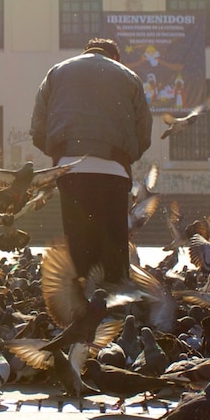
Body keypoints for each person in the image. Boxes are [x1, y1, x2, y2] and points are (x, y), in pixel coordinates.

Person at [30, 37, 153, 283]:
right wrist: (125, 156)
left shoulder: (57, 72)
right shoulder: (128, 76)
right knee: (114, 244)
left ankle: (82, 305)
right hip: (114, 172)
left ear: (86, 51)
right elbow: (144, 131)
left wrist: (60, 153)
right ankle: (115, 305)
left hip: (71, 171)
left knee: (79, 242)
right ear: (115, 57)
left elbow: (37, 128)